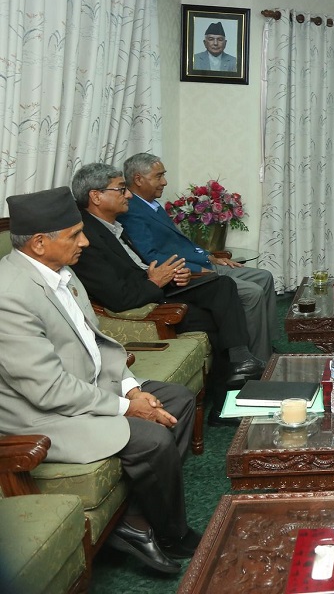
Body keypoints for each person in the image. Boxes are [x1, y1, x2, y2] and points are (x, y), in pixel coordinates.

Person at [0, 187, 202, 575]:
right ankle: (171, 533)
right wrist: (128, 408)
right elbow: (48, 389)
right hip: (44, 416)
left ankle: (135, 520)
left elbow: (98, 341)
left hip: (88, 388)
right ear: (40, 243)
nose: (86, 242)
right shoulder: (9, 296)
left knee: (178, 399)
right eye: (75, 234)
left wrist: (131, 388)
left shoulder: (62, 271)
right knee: (152, 437)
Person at [70, 163, 265, 408]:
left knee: (222, 286)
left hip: (153, 287)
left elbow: (139, 267)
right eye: (121, 189)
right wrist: (156, 280)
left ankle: (239, 364)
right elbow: (118, 297)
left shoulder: (112, 226)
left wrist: (173, 275)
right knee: (219, 313)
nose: (128, 195)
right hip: (140, 305)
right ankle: (228, 391)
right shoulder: (86, 238)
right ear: (96, 196)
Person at [118, 153, 275, 360]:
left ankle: (267, 346)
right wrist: (195, 268)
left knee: (264, 277)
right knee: (252, 292)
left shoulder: (151, 204)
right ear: (138, 179)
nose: (164, 182)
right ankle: (258, 359)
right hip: (189, 273)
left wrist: (210, 257)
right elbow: (151, 257)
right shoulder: (131, 211)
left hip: (202, 263)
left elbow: (180, 243)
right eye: (159, 176)